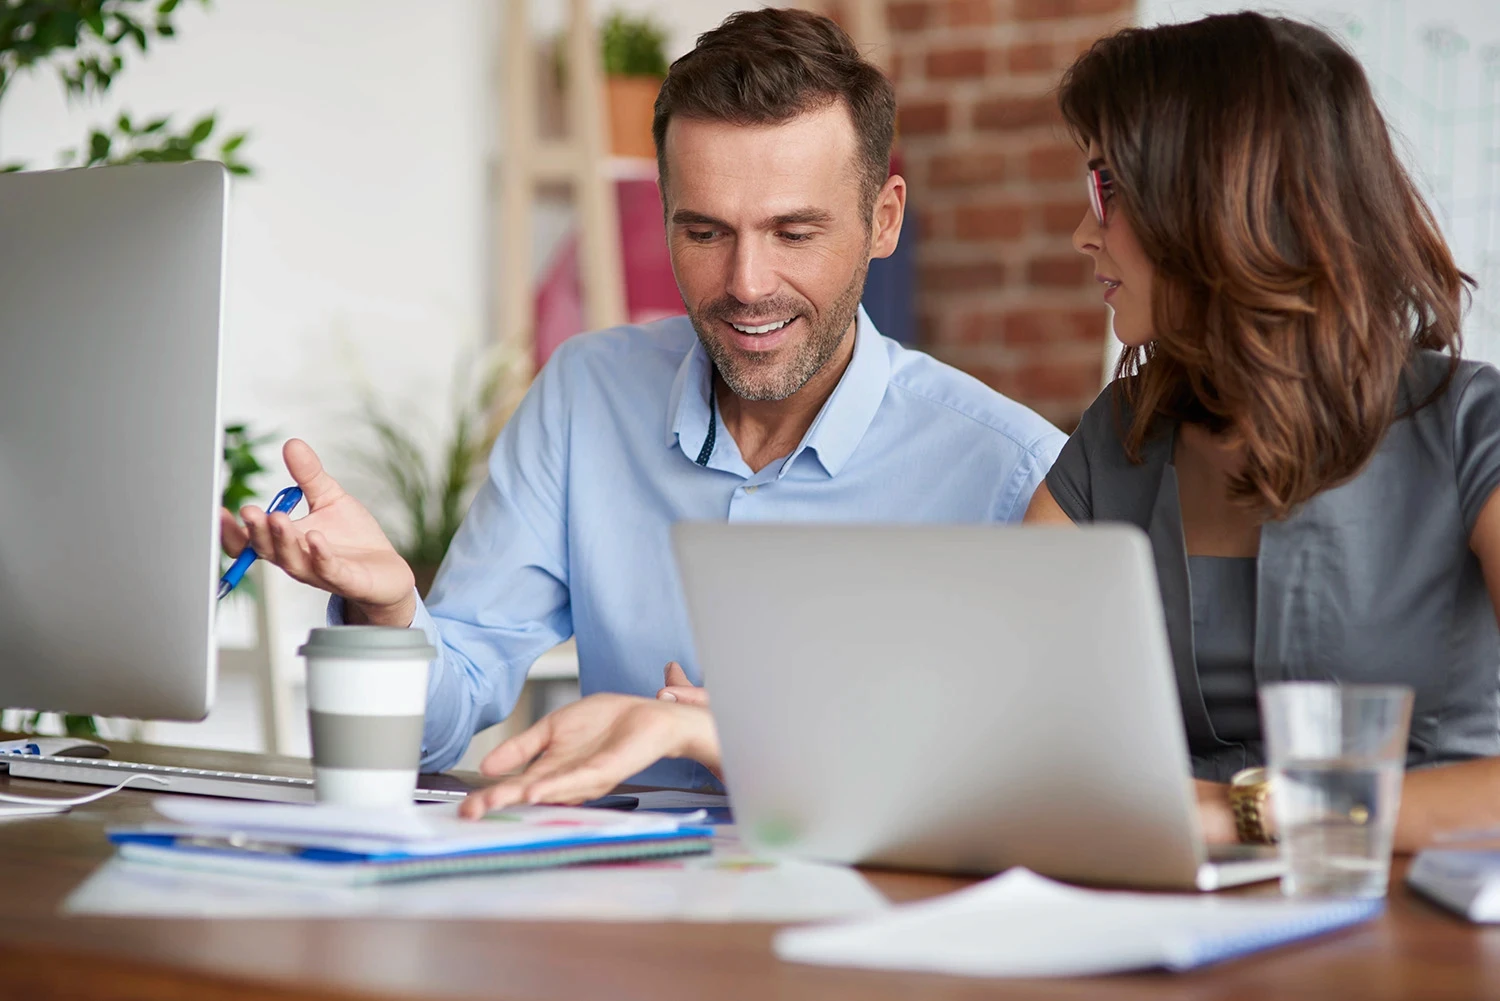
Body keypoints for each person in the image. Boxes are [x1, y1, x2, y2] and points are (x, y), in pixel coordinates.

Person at [460, 11, 1500, 857]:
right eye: (705, 229)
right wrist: (712, 729)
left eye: (1107, 187)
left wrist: (1245, 814)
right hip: (1176, 918)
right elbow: (980, 744)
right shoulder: (1117, 446)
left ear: (1218, 202)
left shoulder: (1471, 433)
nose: (1081, 228)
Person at [220, 8, 1063, 789]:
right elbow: (435, 731)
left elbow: (1028, 787)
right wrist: (391, 609)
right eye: (704, 232)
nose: (746, 284)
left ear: (883, 221)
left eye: (795, 233)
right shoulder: (587, 397)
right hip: (614, 920)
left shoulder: (1011, 474)